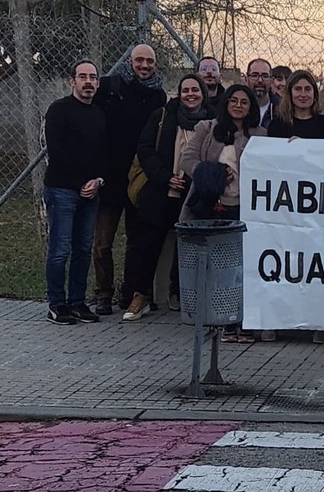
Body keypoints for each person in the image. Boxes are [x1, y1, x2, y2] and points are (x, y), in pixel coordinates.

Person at [120, 74, 212, 320]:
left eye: (195, 90)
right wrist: (165, 177)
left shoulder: (212, 122)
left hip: (194, 195)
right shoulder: (162, 116)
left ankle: (181, 293)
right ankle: (141, 296)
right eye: (185, 90)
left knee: (189, 247)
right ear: (179, 93)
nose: (190, 94)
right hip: (162, 191)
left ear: (203, 93)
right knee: (148, 245)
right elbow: (146, 149)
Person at [179, 84, 266, 342]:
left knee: (245, 266)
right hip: (213, 206)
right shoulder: (207, 129)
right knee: (220, 267)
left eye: (244, 102)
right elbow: (187, 160)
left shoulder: (260, 134)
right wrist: (212, 174)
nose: (239, 105)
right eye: (234, 100)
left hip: (246, 208)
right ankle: (223, 321)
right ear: (226, 103)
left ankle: (244, 320)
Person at [91, 43, 166, 316]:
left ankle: (129, 292)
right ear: (130, 61)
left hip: (139, 178)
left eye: (149, 61)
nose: (144, 66)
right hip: (109, 176)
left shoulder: (158, 96)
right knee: (103, 243)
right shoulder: (109, 88)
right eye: (139, 60)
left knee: (136, 242)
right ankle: (103, 293)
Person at [42, 59, 106, 325]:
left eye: (92, 77)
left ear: (98, 83)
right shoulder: (59, 110)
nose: (88, 82)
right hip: (62, 190)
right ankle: (57, 304)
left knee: (83, 248)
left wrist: (99, 181)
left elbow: (105, 154)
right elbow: (57, 152)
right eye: (83, 77)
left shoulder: (100, 114)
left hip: (91, 192)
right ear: (72, 81)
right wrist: (81, 182)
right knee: (60, 249)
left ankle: (77, 302)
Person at [269, 70, 324, 140]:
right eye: (298, 89)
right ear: (290, 93)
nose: (303, 94)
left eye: (308, 89)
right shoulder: (277, 125)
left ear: (314, 93)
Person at [244, 58, 279, 129]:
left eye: (265, 76)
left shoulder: (282, 110)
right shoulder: (236, 108)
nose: (260, 80)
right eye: (254, 75)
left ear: (271, 81)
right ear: (246, 79)